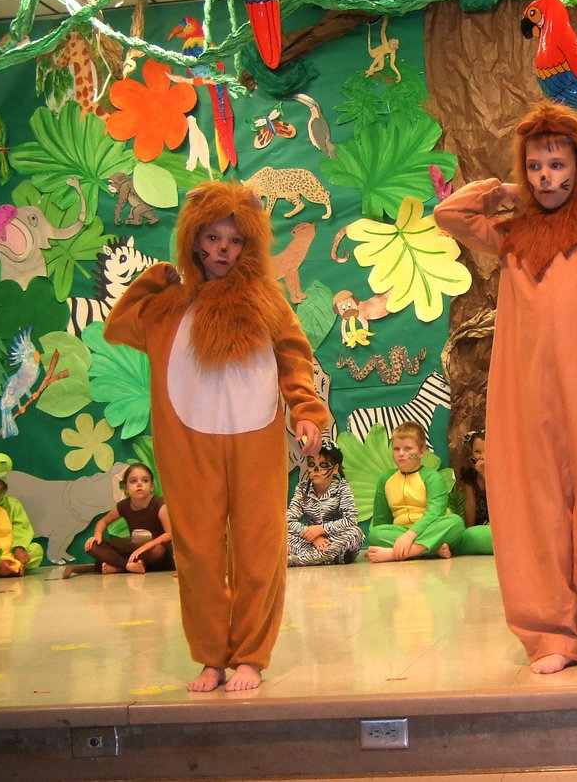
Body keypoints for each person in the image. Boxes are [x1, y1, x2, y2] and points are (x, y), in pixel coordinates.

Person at [433, 100, 577, 674]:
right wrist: (503, 192)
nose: (546, 178)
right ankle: (553, 634)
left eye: (557, 165)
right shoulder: (512, 236)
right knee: (535, 512)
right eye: (535, 167)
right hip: (527, 398)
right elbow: (450, 215)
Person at [104, 182, 328, 692]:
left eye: (233, 240)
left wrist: (307, 410)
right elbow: (119, 327)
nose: (222, 249)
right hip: (188, 444)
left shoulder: (267, 299)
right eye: (211, 237)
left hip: (255, 442)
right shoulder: (169, 307)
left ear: (249, 245)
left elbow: (295, 357)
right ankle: (211, 656)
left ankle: (250, 654)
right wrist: (150, 281)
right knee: (199, 553)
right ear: (193, 242)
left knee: (258, 548)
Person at [366, 421, 464, 563]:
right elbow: (381, 519)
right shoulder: (386, 479)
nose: (401, 454)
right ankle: (431, 550)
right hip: (400, 533)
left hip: (430, 529)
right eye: (396, 449)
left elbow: (435, 513)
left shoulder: (433, 477)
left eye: (408, 449)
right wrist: (380, 541)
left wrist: (410, 536)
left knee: (455, 522)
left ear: (422, 451)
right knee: (375, 533)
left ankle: (404, 552)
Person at [65, 463, 173, 577]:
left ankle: (119, 566)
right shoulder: (123, 506)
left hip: (152, 551)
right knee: (92, 545)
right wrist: (97, 535)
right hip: (134, 549)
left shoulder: (159, 504)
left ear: (152, 486)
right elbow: (103, 521)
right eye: (133, 481)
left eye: (145, 480)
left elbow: (170, 534)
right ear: (126, 488)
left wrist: (146, 547)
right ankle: (128, 566)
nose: (139, 484)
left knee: (158, 551)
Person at [286, 439, 364, 566]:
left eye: (323, 465)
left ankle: (295, 560)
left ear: (335, 469)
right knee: (283, 535)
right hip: (311, 541)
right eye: (311, 464)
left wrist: (322, 530)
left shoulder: (342, 487)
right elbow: (289, 520)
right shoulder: (302, 489)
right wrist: (313, 536)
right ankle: (322, 558)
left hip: (335, 539)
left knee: (354, 533)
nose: (316, 470)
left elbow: (351, 519)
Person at [449, 429, 494, 555]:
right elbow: (470, 505)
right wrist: (468, 530)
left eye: (487, 451)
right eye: (477, 452)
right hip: (481, 527)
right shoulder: (470, 475)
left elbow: (504, 503)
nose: (482, 456)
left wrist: (486, 475)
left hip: (499, 523)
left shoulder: (503, 473)